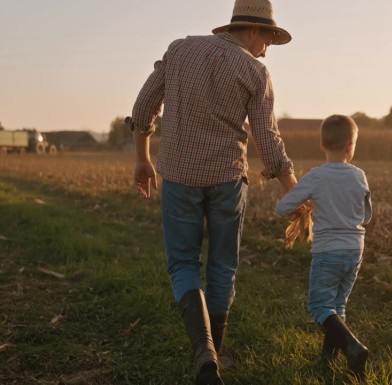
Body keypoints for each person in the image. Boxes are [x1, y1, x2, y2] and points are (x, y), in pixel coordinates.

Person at [127, 1, 297, 384]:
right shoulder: (256, 71)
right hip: (226, 181)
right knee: (222, 267)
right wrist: (294, 190)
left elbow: (143, 107)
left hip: (179, 177)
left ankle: (202, 351)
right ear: (253, 30)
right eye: (268, 39)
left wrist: (142, 158)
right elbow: (267, 139)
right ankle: (215, 353)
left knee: (184, 264)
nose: (267, 50)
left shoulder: (180, 49)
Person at [275, 115, 372, 380]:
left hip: (328, 251)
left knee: (319, 307)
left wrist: (303, 207)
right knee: (337, 306)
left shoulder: (316, 177)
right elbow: (366, 216)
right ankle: (327, 361)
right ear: (351, 147)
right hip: (355, 250)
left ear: (321, 144)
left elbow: (282, 207)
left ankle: (354, 348)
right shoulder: (360, 175)